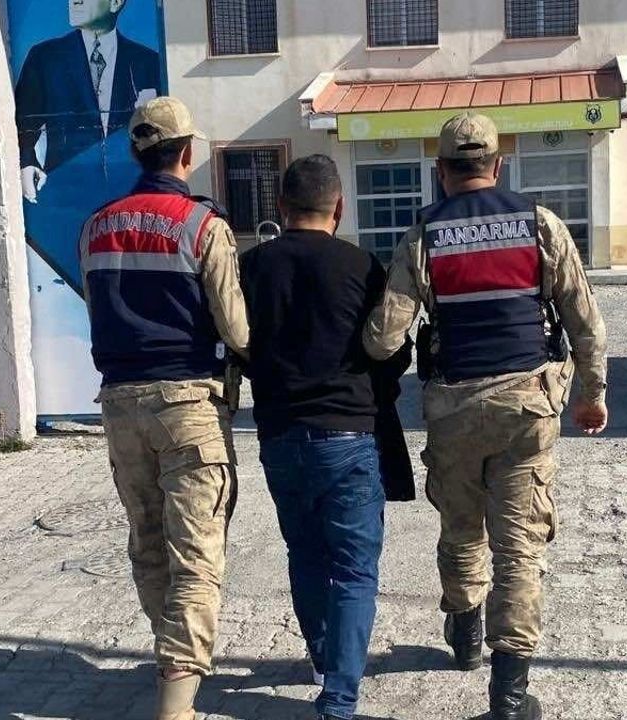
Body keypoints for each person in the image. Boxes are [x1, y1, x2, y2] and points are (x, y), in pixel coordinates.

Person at [362, 113, 609, 720]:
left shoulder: (423, 236)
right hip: (528, 404)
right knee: (519, 546)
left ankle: (466, 632)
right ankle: (510, 695)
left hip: (453, 407)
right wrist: (591, 393)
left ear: (441, 171)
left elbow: (383, 338)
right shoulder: (540, 224)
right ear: (499, 165)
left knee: (461, 526)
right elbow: (584, 321)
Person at [79, 96, 247, 720]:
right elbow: (237, 328)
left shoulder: (95, 226)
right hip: (188, 404)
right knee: (196, 553)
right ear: (188, 152)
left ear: (134, 151)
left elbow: (98, 305)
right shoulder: (202, 225)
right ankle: (176, 702)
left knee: (148, 542)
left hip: (119, 404)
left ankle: (169, 654)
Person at [239, 155, 407, 720]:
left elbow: (237, 340)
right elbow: (391, 350)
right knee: (355, 568)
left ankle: (320, 655)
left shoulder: (252, 265)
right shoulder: (362, 265)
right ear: (339, 207)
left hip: (280, 434)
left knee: (305, 552)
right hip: (349, 435)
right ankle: (339, 698)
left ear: (281, 207)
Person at [15, 0, 162, 203]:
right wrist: (26, 162)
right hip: (67, 198)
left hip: (133, 198)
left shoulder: (148, 62)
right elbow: (22, 122)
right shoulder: (44, 58)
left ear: (116, 2)